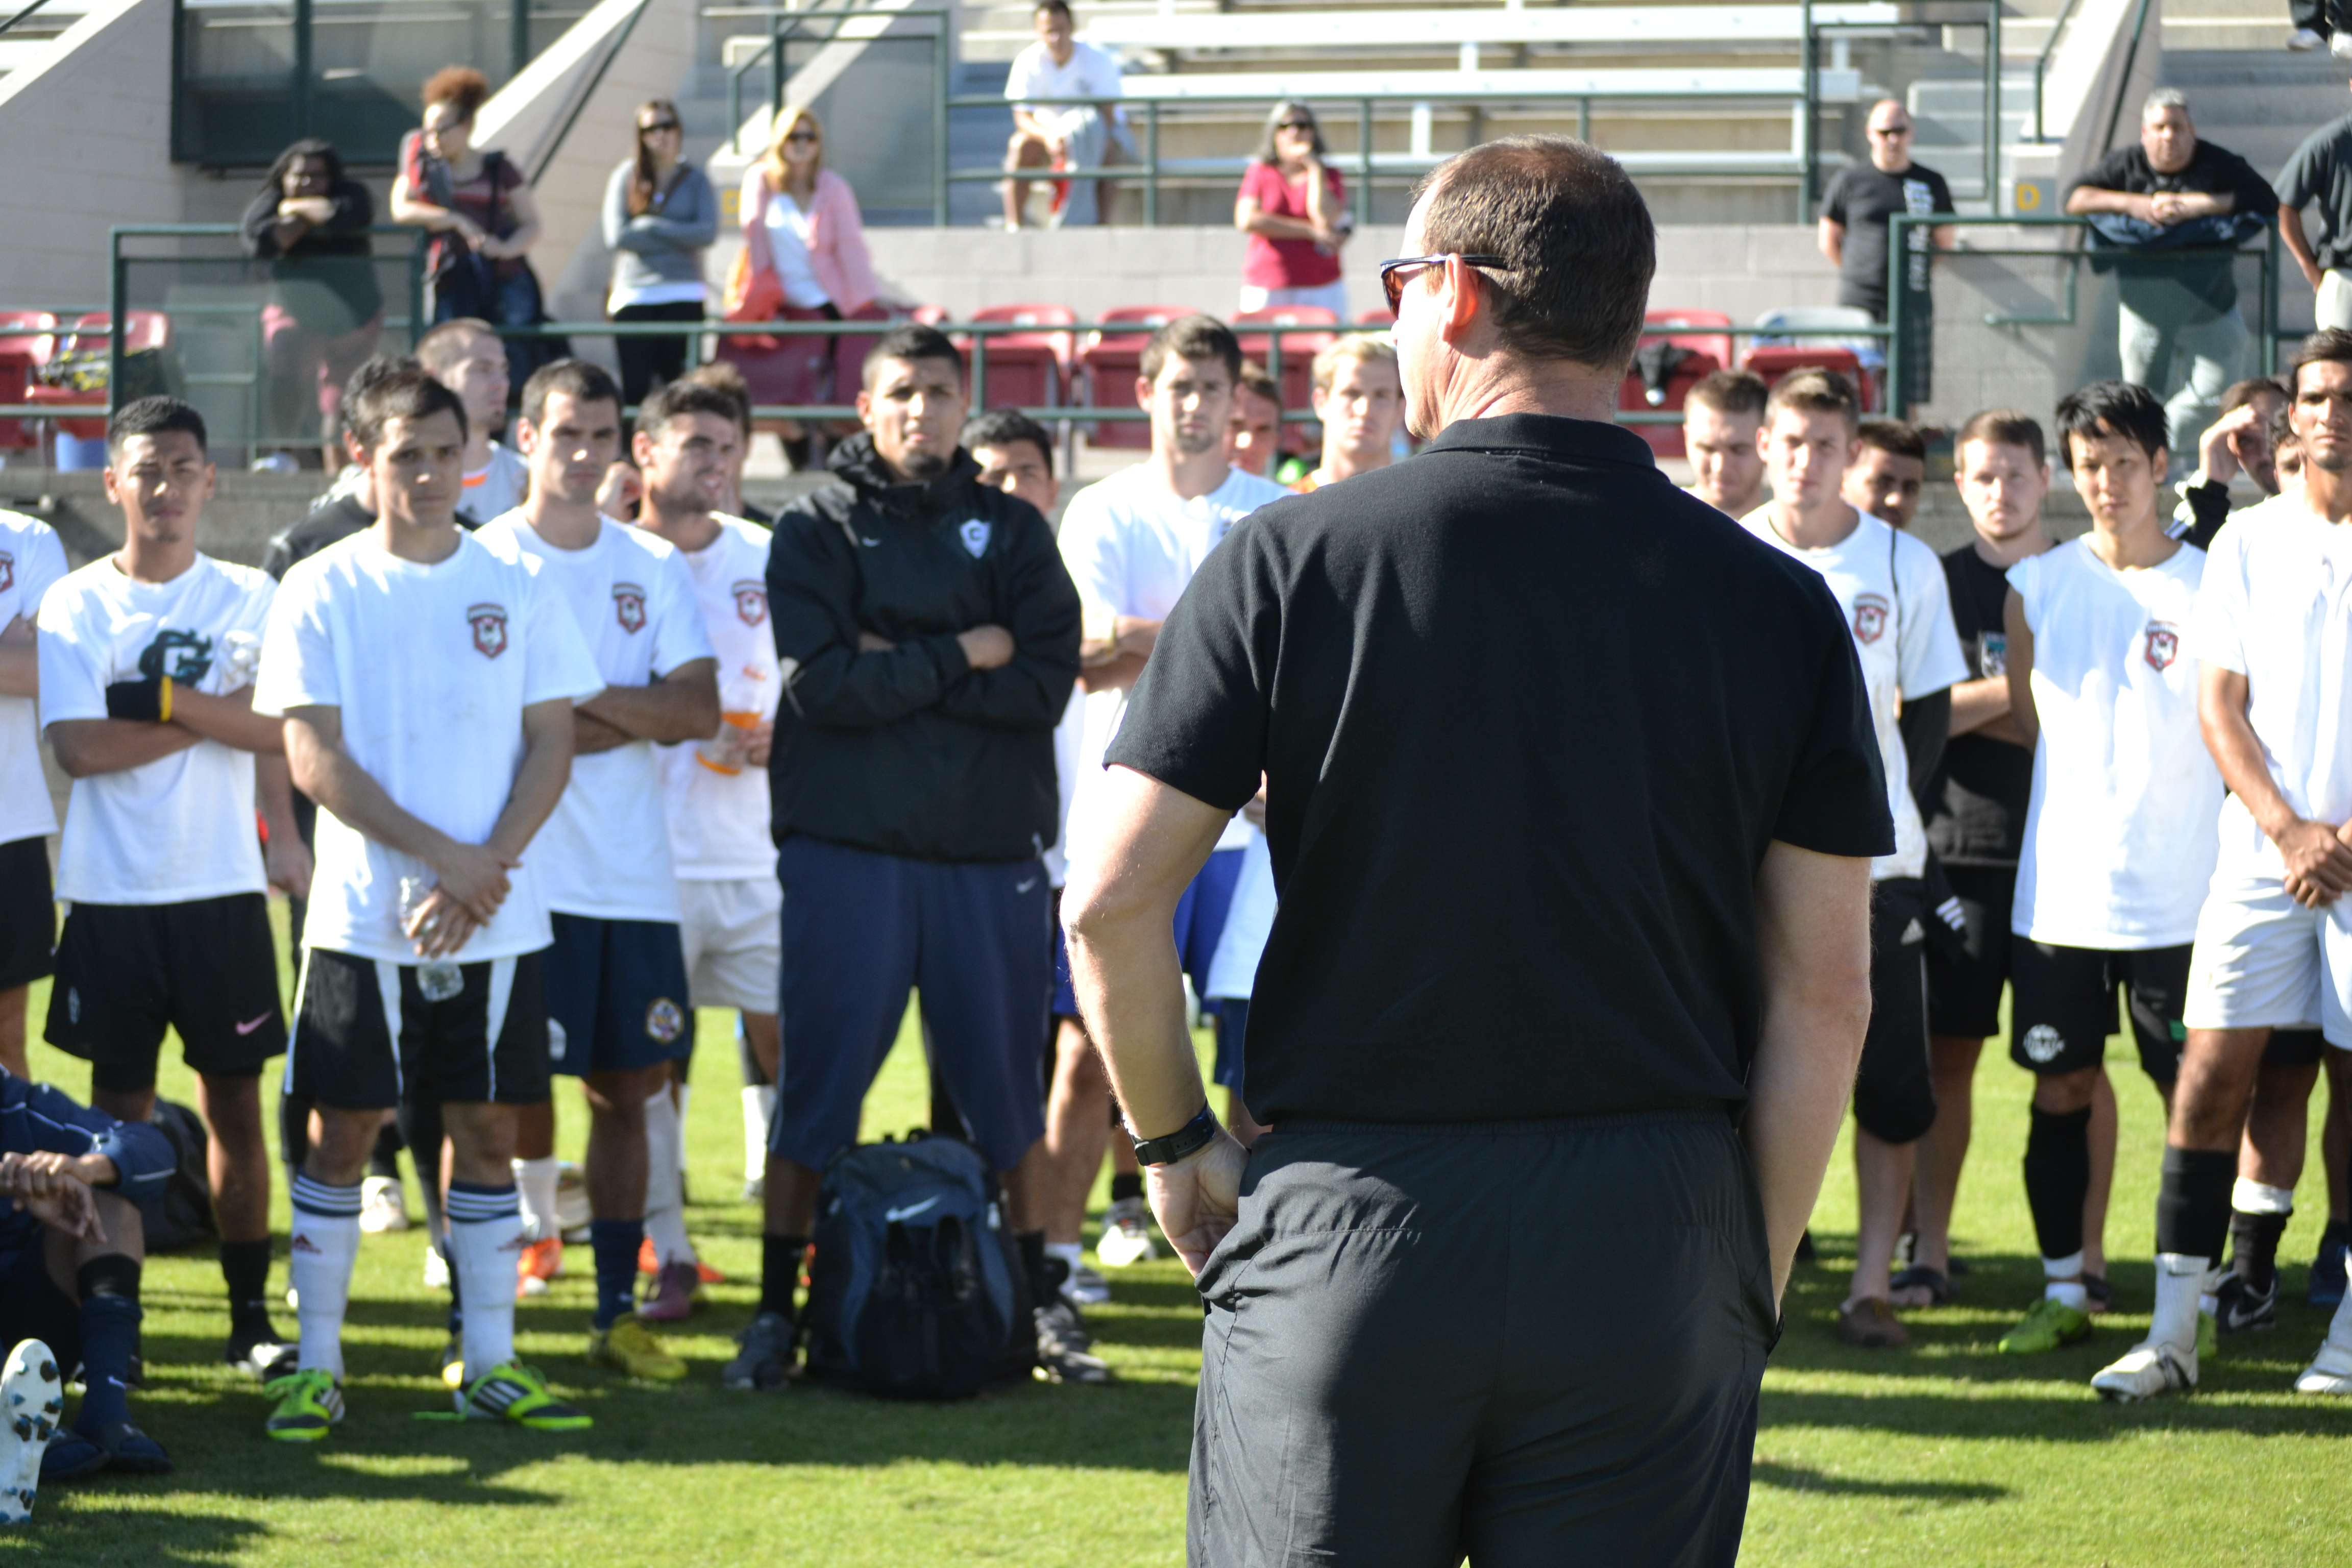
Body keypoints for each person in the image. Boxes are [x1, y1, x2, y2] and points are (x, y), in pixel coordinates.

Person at [1064, 135, 1888, 1564]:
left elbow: (1113, 901)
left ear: (1449, 294)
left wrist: (1175, 1140)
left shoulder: (1287, 559)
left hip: (1353, 1225)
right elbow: (1827, 990)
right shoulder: (1779, 604)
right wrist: (1745, 1257)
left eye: (1394, 284)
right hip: (1656, 1225)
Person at [722, 323, 1081, 1392]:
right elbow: (822, 688)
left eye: (937, 391)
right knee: (817, 1098)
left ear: (961, 403)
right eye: (899, 393)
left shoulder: (1013, 530)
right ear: (865, 408)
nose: (919, 410)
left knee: (1009, 1102)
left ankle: (1029, 1311)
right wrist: (966, 649)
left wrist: (900, 665)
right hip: (851, 853)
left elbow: (1043, 685)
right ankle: (774, 1318)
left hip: (987, 855)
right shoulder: (814, 529)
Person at [252, 366, 600, 1438]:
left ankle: (489, 1360)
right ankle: (318, 1365)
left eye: (448, 452)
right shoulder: (321, 584)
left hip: (496, 911)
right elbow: (312, 755)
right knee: (346, 1130)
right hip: (365, 914)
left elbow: (556, 738)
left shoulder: (515, 580)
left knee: (487, 1127)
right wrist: (450, 859)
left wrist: (485, 863)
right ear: (362, 459)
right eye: (408, 454)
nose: (433, 473)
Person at [2086, 328, 2352, 1401]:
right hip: (2265, 860)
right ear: (2292, 417)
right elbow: (2218, 703)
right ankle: (2173, 1334)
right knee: (2207, 1080)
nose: (2333, 411)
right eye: (2319, 394)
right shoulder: (2247, 539)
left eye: (2350, 394)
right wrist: (2291, 832)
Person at [35, 397, 307, 1381]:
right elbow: (83, 748)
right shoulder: (77, 603)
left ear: (209, 481)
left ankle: (248, 1322)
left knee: (237, 1109)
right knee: (120, 1122)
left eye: (182, 469)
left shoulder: (250, 595)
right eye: (144, 471)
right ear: (112, 484)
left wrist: (164, 702)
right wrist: (212, 715)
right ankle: (122, 1326)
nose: (164, 488)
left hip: (222, 890)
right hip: (111, 894)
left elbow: (281, 728)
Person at [478, 361, 718, 1376]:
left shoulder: (652, 565)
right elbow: (488, 721)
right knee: (492, 1100)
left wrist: (567, 710)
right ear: (526, 438)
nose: (583, 454)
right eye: (565, 433)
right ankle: (483, 1318)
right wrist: (624, 701)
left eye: (601, 435)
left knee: (630, 1092)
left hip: (629, 880)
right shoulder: (480, 561)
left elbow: (695, 711)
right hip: (514, 876)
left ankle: (615, 1311)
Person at [1991, 382, 2223, 1359]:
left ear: (2159, 466)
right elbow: (2023, 716)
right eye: (2088, 464)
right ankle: (2061, 1289)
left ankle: (2196, 1305)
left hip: (2183, 897)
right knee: (2060, 1088)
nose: (2105, 482)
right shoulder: (2036, 585)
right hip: (2062, 898)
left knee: (2194, 1097)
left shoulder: (2212, 583)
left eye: (2123, 462)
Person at [1746, 368, 1967, 1350]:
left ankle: (1869, 1283)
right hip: (1743, 873)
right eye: (1788, 444)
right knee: (1743, 1074)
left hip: (1876, 874)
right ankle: (1752, 1274)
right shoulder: (1727, 552)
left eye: (1823, 447)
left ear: (1851, 455)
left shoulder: (1902, 564)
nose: (1804, 464)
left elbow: (1925, 708)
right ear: (1764, 447)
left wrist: (1890, 815)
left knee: (1884, 1082)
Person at [1060, 315, 1292, 1160]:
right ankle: (1060, 1260)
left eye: (1211, 388)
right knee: (1092, 1052)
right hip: (1124, 811)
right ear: (1143, 394)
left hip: (1252, 833)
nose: (1194, 404)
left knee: (1262, 1065)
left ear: (1237, 401)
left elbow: (1292, 672)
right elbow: (1081, 656)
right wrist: (1227, 649)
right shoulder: (1100, 508)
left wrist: (1137, 636)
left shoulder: (1276, 516)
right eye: (1178, 386)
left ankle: (1267, 1258)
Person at [965, 408, 1140, 1304]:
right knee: (985, 1063)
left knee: (1077, 1054)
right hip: (989, 860)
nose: (1007, 489)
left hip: (1084, 860)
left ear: (1053, 484)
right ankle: (976, 1236)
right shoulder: (950, 588)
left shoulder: (1071, 579)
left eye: (1023, 472)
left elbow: (1098, 652)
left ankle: (1052, 1249)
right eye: (988, 474)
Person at [622, 377, 772, 1319]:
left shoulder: (771, 554)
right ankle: (666, 1245)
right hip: (643, 858)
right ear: (643, 453)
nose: (712, 463)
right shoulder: (613, 559)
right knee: (651, 1064)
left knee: (791, 1043)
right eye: (693, 445)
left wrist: (778, 735)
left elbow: (810, 681)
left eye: (726, 447)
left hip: (759, 854)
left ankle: (797, 1246)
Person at [1908, 410, 2057, 1307]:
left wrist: (1973, 702)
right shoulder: (1932, 581)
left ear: (2045, 480)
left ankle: (2071, 1267)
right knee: (1945, 1060)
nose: (1999, 491)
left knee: (2068, 1065)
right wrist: (2033, 686)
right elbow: (1907, 709)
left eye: (2014, 474)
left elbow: (2081, 718)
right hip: (1957, 850)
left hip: (2060, 853)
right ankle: (1930, 1251)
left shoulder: (2073, 580)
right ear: (1957, 485)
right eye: (1980, 476)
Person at [2065, 89, 2277, 452]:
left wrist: (2196, 206)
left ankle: (2156, 444)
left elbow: (2265, 198)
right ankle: (2150, 455)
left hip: (2212, 305)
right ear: (2145, 133)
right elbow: (2076, 198)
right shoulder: (2126, 163)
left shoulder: (2216, 162)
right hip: (2143, 308)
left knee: (2216, 396)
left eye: (2178, 127)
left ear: (2192, 131)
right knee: (2139, 400)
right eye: (2160, 127)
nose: (2169, 136)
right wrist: (2137, 205)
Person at [0, 1070, 177, 1491]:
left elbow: (152, 1147)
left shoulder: (15, 1102)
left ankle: (107, 1408)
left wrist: (83, 1169)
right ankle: (14, 1418)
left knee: (109, 1198)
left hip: (28, 1333)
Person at [733, 105, 881, 465]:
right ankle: (798, 451)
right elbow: (751, 230)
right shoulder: (762, 181)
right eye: (792, 137)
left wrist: (865, 305)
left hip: (823, 301)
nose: (801, 145)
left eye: (809, 137)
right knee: (782, 390)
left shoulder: (833, 188)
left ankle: (824, 455)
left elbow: (851, 248)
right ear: (779, 143)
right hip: (776, 303)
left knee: (823, 387)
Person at [391, 67, 550, 376]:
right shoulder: (425, 169)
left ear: (466, 126)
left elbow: (531, 224)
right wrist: (456, 221)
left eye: (441, 130)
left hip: (500, 281)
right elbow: (401, 208)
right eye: (427, 131)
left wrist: (503, 249)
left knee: (510, 358)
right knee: (454, 361)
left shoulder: (499, 168)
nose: (432, 140)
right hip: (451, 280)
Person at [240, 139, 385, 458]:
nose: (306, 183)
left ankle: (342, 472)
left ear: (332, 179)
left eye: (317, 176)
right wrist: (313, 216)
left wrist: (295, 213)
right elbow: (262, 239)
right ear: (284, 178)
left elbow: (348, 217)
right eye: (298, 176)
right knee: (287, 381)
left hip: (354, 317)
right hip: (295, 311)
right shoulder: (269, 201)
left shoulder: (353, 195)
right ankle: (283, 456)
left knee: (343, 401)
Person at [1818, 99, 1955, 406]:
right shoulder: (1849, 181)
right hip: (1860, 301)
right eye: (1884, 131)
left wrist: (1914, 270)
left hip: (1912, 299)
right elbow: (1828, 239)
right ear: (1870, 134)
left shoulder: (1931, 182)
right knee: (1852, 387)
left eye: (1900, 130)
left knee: (1907, 390)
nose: (1892, 139)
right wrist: (1859, 273)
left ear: (1911, 133)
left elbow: (1944, 241)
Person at [0, 507, 66, 1083]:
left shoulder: (27, 539)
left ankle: (11, 1174)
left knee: (5, 1037)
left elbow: (50, 668)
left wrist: (23, 656)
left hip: (9, 824)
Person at [603, 100, 718, 411]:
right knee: (636, 388)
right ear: (639, 135)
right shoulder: (626, 176)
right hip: (636, 293)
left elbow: (707, 232)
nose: (660, 135)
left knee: (680, 387)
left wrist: (652, 227)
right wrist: (680, 235)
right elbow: (617, 235)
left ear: (679, 130)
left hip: (683, 289)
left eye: (667, 126)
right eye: (651, 128)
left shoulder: (696, 179)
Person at [1002, 0, 1131, 230]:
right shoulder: (1027, 61)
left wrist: (1075, 139)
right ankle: (1014, 227)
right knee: (1019, 147)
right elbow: (1022, 118)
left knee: (1109, 149)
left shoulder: (1098, 60)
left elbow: (1108, 115)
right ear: (1038, 32)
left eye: (1061, 30)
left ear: (1073, 27)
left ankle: (1102, 225)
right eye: (1049, 31)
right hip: (1047, 137)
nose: (1056, 38)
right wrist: (1050, 138)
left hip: (1089, 135)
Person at [1235, 101, 1350, 317]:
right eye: (1284, 126)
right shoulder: (1261, 172)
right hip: (1268, 280)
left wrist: (1314, 168)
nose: (1294, 132)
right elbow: (1247, 220)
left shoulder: (1329, 174)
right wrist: (1308, 232)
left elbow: (1323, 218)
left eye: (1302, 125)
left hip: (1321, 282)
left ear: (1314, 133)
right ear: (1274, 134)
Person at [415, 320, 527, 526]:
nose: (502, 384)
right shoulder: (394, 478)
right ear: (434, 379)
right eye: (483, 370)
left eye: (503, 370)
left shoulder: (526, 479)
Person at [2175, 376, 2287, 545]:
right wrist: (2212, 485)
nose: (2265, 454)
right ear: (2233, 451)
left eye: (2275, 434)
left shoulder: (2340, 520)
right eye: (2247, 442)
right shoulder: (2242, 532)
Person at [2278, 76, 2352, 321]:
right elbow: (2283, 206)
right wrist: (2309, 266)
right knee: (2339, 360)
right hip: (2346, 276)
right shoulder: (2332, 141)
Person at [1290, 336, 1402, 493]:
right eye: (1352, 394)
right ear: (1321, 403)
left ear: (1401, 409)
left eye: (1381, 396)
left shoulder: (1423, 506)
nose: (1365, 410)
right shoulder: (1289, 505)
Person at [679, 360, 774, 524]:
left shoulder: (775, 538)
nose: (715, 461)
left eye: (727, 445)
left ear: (748, 444)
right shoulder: (651, 541)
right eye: (700, 444)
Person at [1682, 368, 1770, 517]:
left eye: (1738, 450)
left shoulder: (1799, 536)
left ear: (1767, 445)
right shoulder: (1655, 519)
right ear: (1687, 438)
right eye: (1707, 448)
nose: (1720, 467)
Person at [1845, 417, 1928, 530]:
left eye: (1910, 489)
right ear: (1842, 480)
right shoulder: (1815, 546)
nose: (1897, 501)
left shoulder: (1917, 549)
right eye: (1882, 484)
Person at [1224, 361, 1283, 480]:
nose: (1248, 444)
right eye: (1236, 425)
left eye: (1263, 430)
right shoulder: (1178, 497)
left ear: (1275, 441)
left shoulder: (1290, 496)